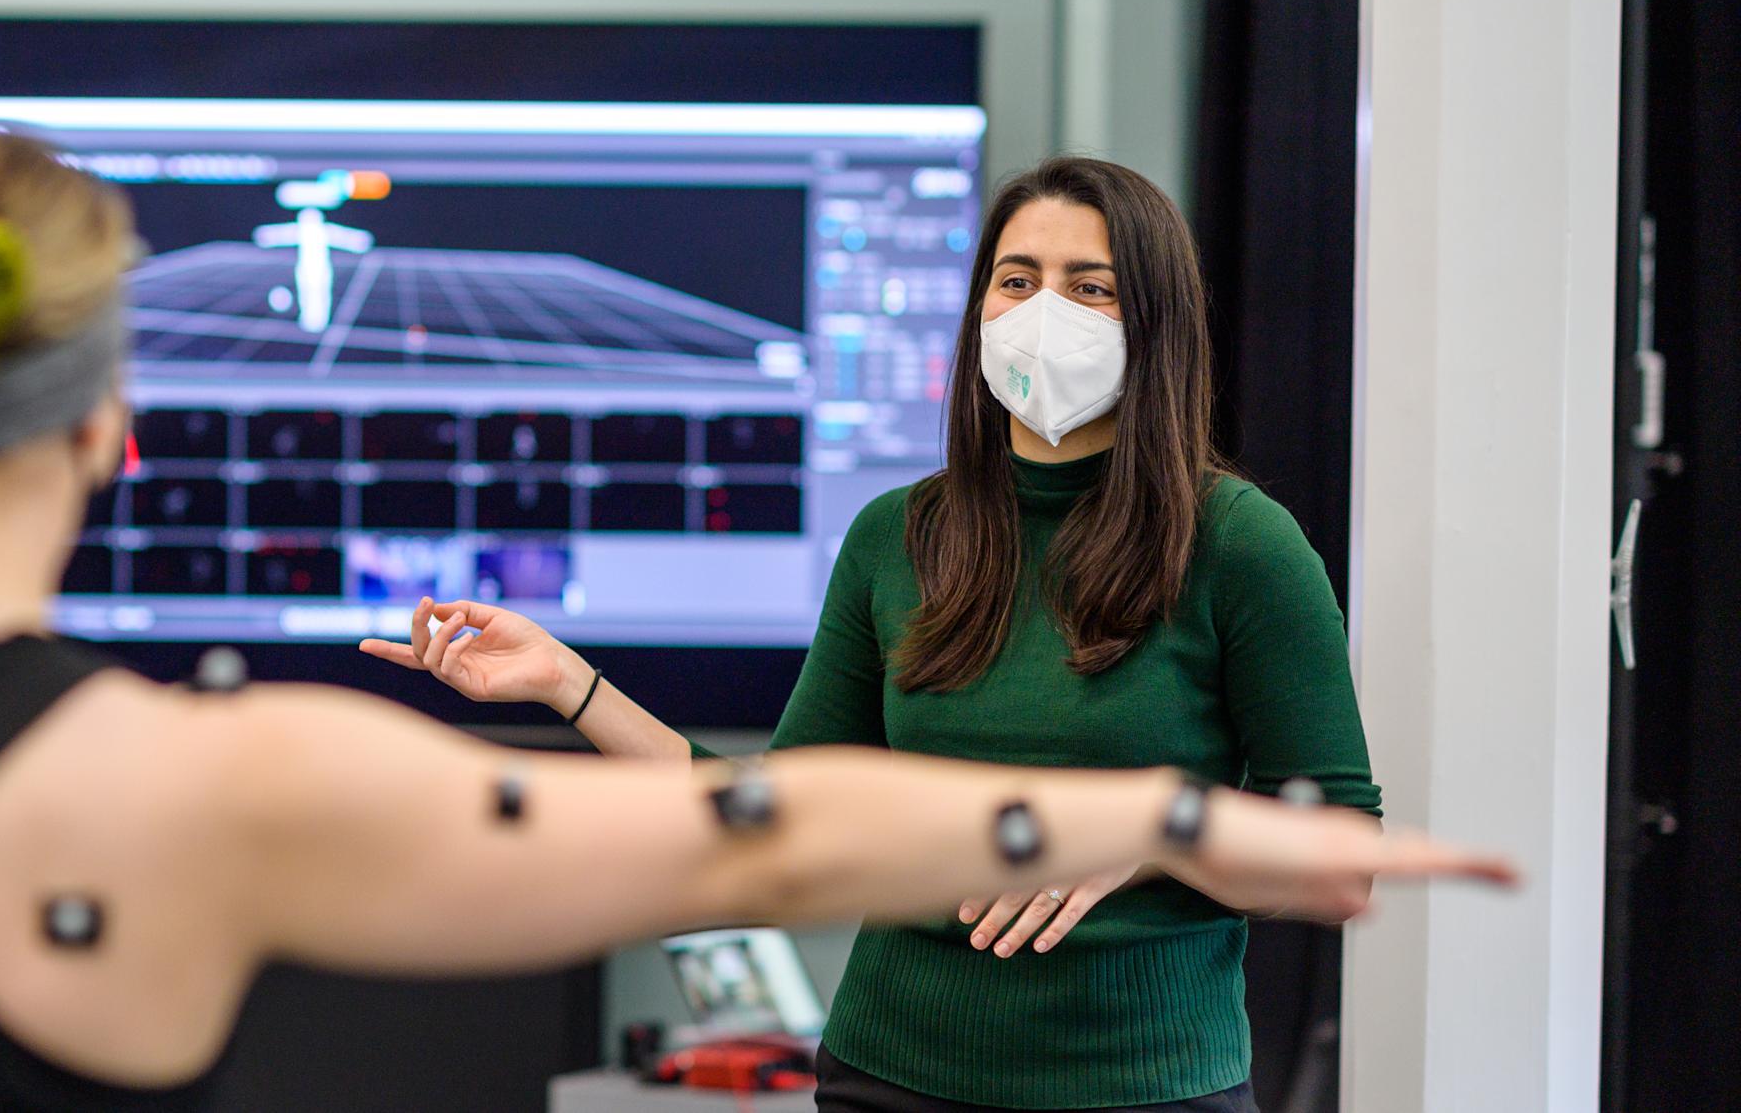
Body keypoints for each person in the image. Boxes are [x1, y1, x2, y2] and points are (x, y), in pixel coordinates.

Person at [0, 135, 1508, 1113]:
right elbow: (763, 838)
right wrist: (1185, 828)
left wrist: (1174, 836)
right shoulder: (231, 783)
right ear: (114, 431)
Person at [367, 156, 1394, 1112]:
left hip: (1147, 1088)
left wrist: (1155, 837)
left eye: (1091, 288)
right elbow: (767, 819)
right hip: (889, 1078)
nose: (1044, 314)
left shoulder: (1239, 545)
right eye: (1016, 279)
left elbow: (1341, 858)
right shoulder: (898, 535)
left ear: (1158, 322)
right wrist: (568, 682)